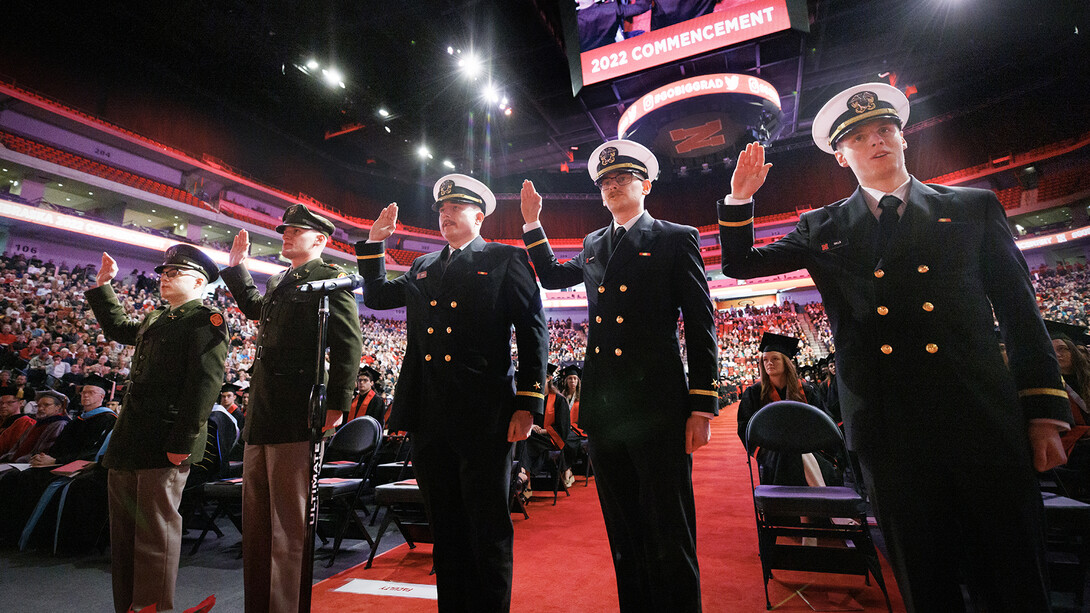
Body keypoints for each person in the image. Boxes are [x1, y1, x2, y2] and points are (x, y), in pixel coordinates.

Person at [718, 82, 1070, 612]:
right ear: (841, 156)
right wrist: (740, 199)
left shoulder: (972, 208)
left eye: (885, 129)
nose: (876, 141)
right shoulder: (823, 226)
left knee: (1013, 575)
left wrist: (1043, 413)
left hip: (979, 416)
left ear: (903, 138)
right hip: (889, 427)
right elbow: (741, 265)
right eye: (859, 137)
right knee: (926, 581)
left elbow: (1022, 315)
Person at [520, 139, 719, 612]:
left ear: (646, 185)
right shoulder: (593, 243)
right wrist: (532, 224)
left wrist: (702, 403)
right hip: (608, 410)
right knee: (624, 529)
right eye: (606, 182)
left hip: (658, 406)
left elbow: (701, 321)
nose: (613, 186)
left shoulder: (676, 237)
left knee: (668, 528)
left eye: (622, 179)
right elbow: (550, 276)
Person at [358, 173, 548, 612]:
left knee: (487, 526)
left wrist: (529, 402)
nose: (445, 215)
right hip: (429, 415)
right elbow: (378, 295)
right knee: (445, 525)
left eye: (455, 208)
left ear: (478, 216)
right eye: (441, 210)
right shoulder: (423, 266)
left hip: (485, 415)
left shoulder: (505, 259)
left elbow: (533, 332)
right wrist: (374, 246)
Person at [221, 203, 363, 613]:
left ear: (320, 240)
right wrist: (236, 269)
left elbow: (347, 344)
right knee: (258, 523)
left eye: (295, 231)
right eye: (285, 230)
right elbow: (255, 310)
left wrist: (337, 402)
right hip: (263, 412)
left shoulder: (330, 278)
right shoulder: (279, 280)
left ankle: (283, 606)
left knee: (286, 526)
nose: (285, 235)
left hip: (297, 412)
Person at [86, 245, 229, 613]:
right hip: (131, 437)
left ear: (199, 281)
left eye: (174, 273)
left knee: (155, 533)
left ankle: (154, 608)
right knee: (125, 535)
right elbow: (119, 328)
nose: (164, 277)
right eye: (163, 272)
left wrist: (183, 441)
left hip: (166, 440)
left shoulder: (204, 320)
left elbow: (204, 385)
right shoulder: (158, 318)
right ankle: (130, 606)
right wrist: (104, 288)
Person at [736, 332, 834, 487]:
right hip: (772, 452)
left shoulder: (807, 390)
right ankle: (818, 504)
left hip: (809, 448)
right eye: (765, 360)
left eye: (775, 358)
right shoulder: (754, 394)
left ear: (786, 362)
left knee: (797, 456)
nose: (769, 363)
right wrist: (764, 452)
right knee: (787, 457)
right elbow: (745, 428)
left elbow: (824, 422)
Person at [0, 387, 69, 462]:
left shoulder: (60, 424)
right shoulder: (36, 425)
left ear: (58, 407)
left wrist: (16, 461)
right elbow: (16, 449)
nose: (40, 409)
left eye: (46, 405)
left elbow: (43, 453)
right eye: (39, 405)